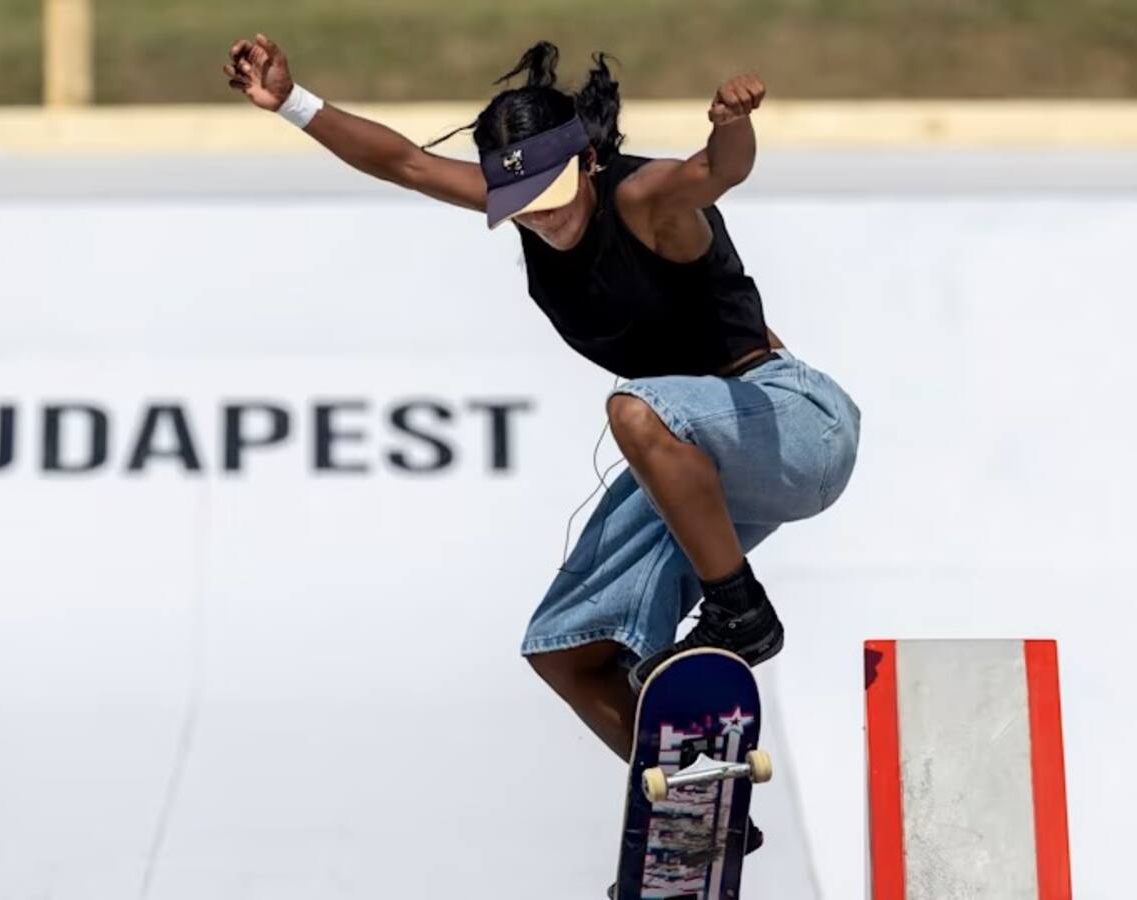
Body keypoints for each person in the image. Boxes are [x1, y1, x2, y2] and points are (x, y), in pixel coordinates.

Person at [225, 33, 861, 873]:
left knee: (632, 411)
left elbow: (716, 174)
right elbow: (406, 164)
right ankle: (698, 801)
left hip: (790, 425)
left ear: (589, 163)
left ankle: (741, 611)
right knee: (565, 649)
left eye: (557, 195)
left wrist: (732, 123)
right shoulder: (520, 201)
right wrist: (295, 102)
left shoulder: (645, 201)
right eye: (522, 203)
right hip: (697, 464)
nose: (544, 216)